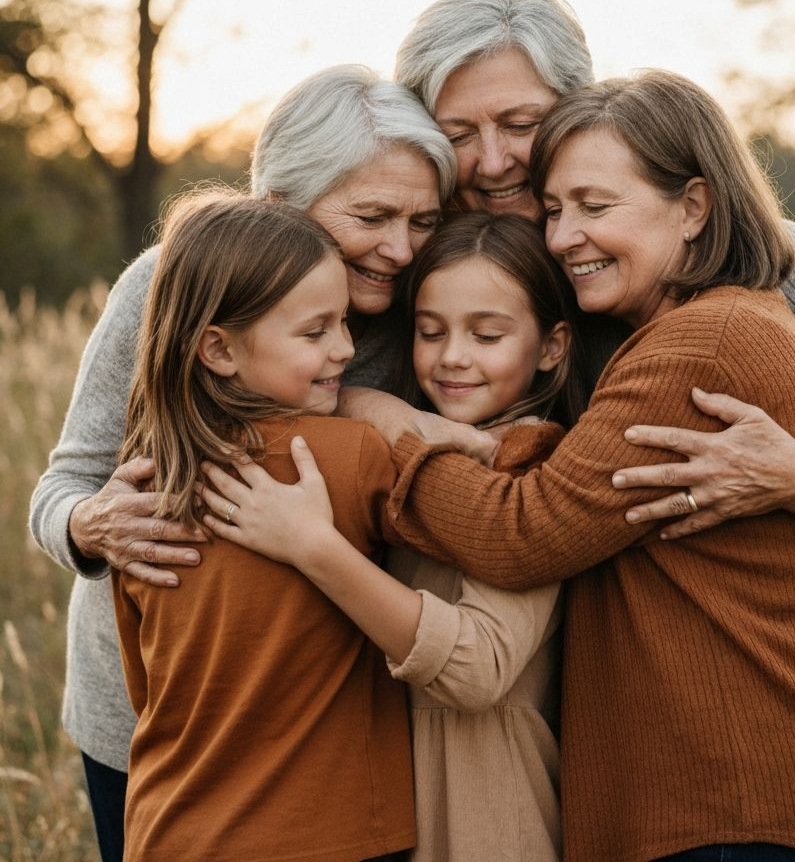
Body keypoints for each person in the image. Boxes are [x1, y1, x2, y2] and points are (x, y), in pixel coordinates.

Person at [205, 71, 795, 861]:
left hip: (747, 806)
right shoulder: (689, 332)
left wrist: (390, 435)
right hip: (709, 804)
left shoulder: (703, 341)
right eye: (554, 210)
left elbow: (523, 530)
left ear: (694, 207)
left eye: (595, 208)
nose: (564, 235)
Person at [391, 0, 795, 860]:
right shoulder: (440, 267)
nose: (496, 158)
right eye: (460, 131)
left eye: (520, 123)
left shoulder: (754, 276)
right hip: (622, 735)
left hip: (775, 731)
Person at [27, 65, 456, 861]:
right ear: (281, 204)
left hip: (313, 740)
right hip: (149, 722)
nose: (399, 248)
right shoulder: (165, 286)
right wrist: (89, 525)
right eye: (373, 216)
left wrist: (381, 411)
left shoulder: (421, 311)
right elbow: (63, 482)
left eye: (423, 221)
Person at [201, 212, 588, 861]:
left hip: (485, 824)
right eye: (430, 332)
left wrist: (312, 547)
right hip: (368, 819)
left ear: (552, 347)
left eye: (487, 334)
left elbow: (476, 667)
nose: (453, 357)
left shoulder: (536, 467)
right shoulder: (395, 455)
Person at [112, 190, 415, 861]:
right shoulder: (349, 458)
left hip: (170, 831)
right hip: (330, 835)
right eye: (315, 332)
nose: (343, 349)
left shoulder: (136, 490)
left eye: (344, 324)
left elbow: (144, 686)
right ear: (219, 350)